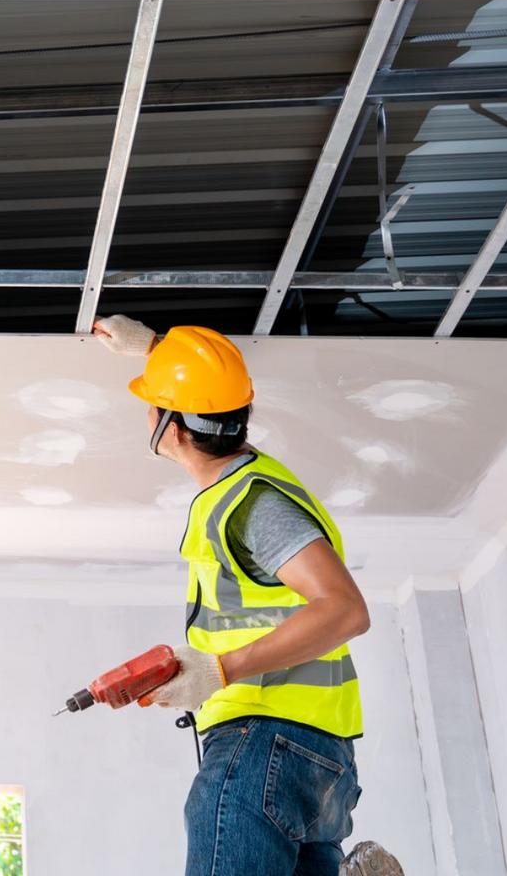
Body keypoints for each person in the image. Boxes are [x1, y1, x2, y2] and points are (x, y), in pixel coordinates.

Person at [92, 316, 404, 876]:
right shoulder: (249, 480)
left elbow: (346, 610)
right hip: (316, 759)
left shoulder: (252, 506)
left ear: (172, 429)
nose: (144, 412)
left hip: (263, 743)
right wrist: (159, 351)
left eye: (152, 401)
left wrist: (219, 670)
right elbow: (212, 398)